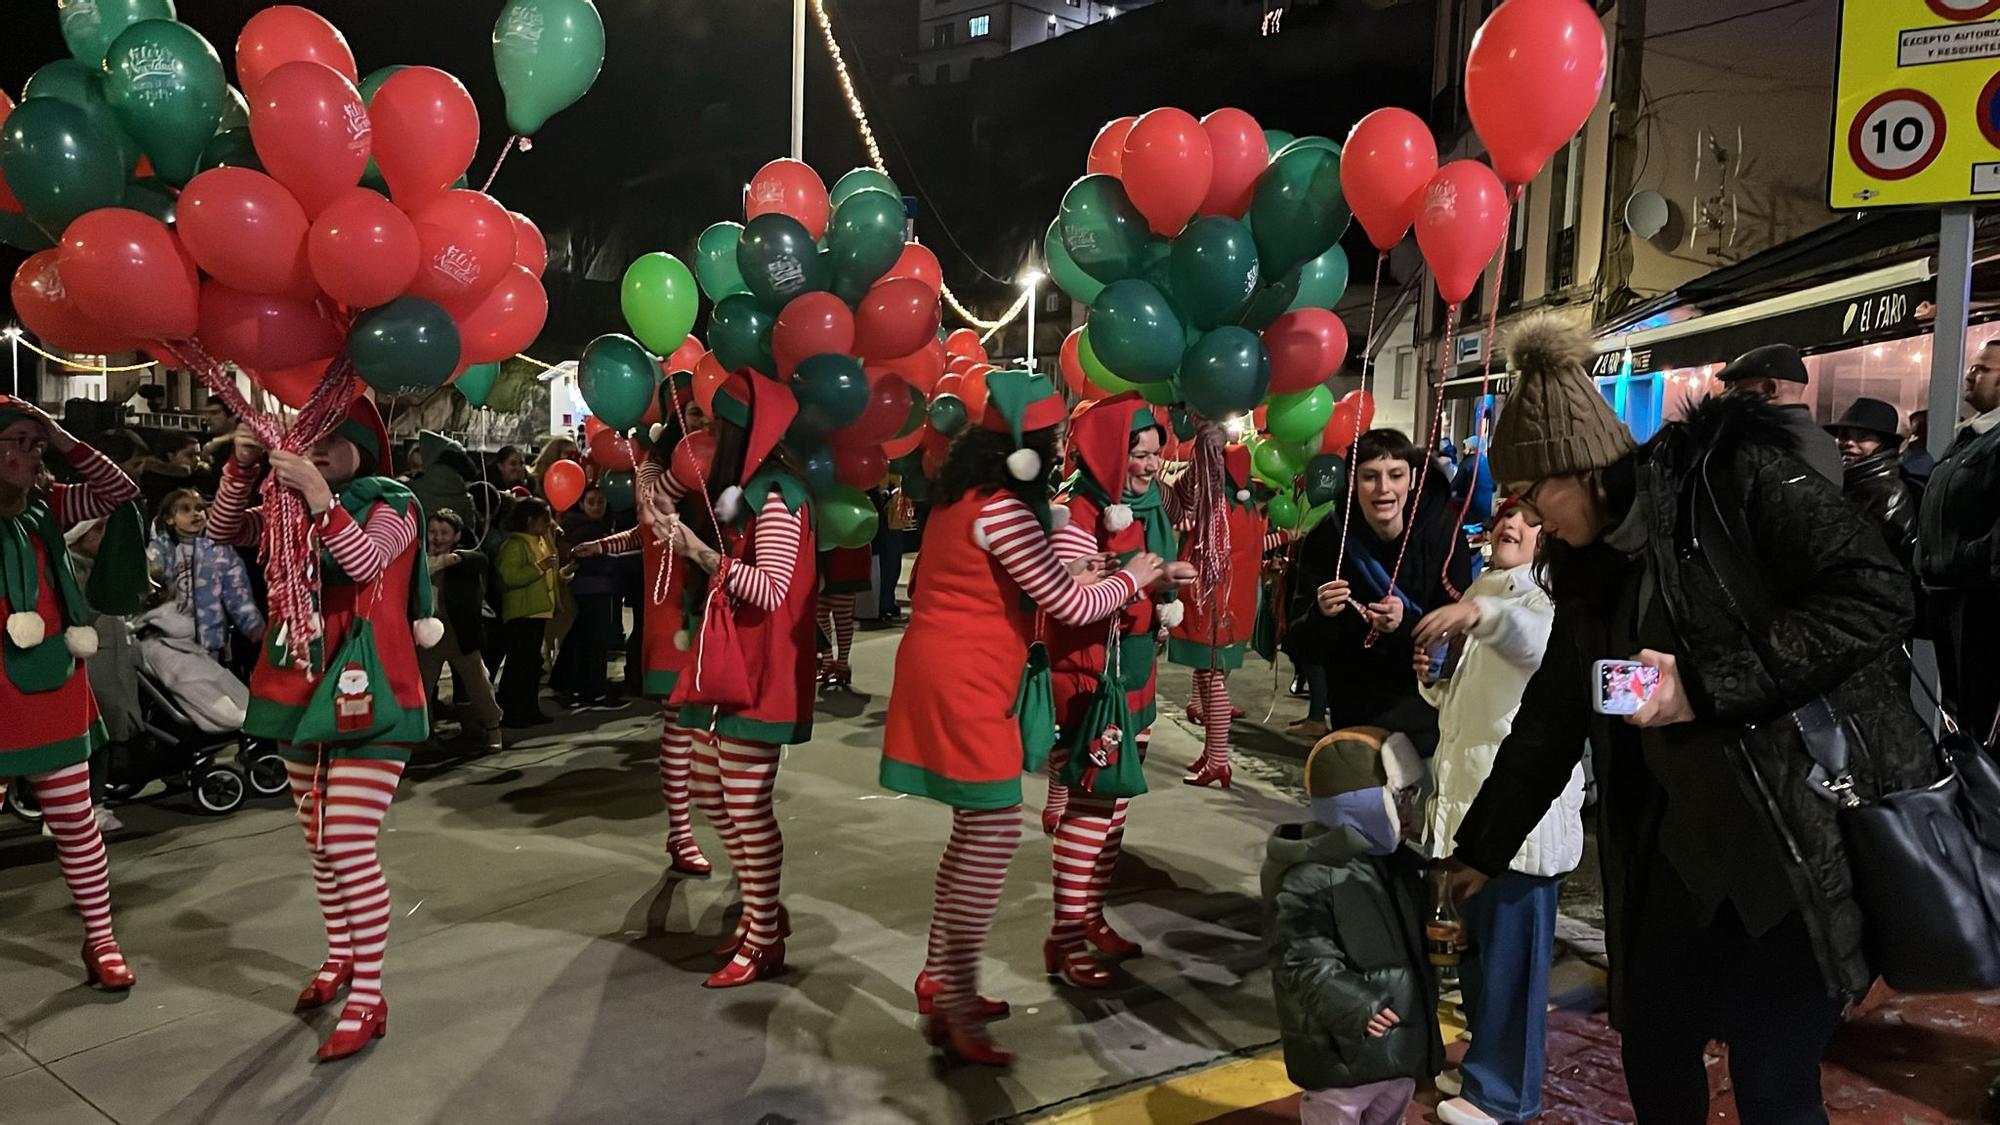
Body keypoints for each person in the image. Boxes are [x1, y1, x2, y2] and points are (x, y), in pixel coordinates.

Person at [1441, 315, 1938, 1125]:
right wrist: (1482, 848)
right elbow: (1554, 715)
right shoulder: (1589, 564)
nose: (1525, 515)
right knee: (1654, 1045)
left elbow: (1878, 595)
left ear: (1581, 467)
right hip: (1679, 851)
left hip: (1798, 837)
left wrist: (1701, 685)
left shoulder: (1730, 480)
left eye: (1532, 494)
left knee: (1772, 1072)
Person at [880, 370, 1187, 1064]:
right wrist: (1135, 575)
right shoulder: (1005, 511)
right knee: (989, 845)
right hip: (966, 685)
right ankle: (957, 1006)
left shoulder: (969, 498)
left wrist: (1100, 569)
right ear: (1022, 451)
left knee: (969, 841)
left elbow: (1040, 582)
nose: (1056, 457)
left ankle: (942, 981)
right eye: (1050, 444)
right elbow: (1073, 606)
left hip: (948, 673)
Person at [208, 395, 442, 1061]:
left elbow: (365, 561)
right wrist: (241, 465)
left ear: (363, 442)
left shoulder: (395, 500)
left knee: (345, 840)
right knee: (319, 842)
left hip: (375, 690)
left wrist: (316, 494)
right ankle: (342, 955)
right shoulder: (286, 508)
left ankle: (369, 995)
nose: (313, 445)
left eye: (331, 436)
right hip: (298, 682)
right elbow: (227, 531)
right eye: (306, 435)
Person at [1409, 501, 1583, 1125]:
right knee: (1479, 959)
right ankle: (1487, 1068)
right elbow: (1472, 706)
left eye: (1531, 520)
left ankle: (1507, 1094)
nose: (1512, 526)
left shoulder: (1548, 599)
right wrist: (1436, 680)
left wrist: (1477, 614)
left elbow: (1532, 639)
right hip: (1474, 816)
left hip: (1521, 820)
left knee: (1513, 966)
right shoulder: (1488, 591)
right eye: (1507, 514)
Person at [668, 372, 818, 989]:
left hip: (760, 672)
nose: (703, 435)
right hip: (731, 666)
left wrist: (701, 554)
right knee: (712, 791)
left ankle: (762, 936)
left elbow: (771, 587)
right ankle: (764, 914)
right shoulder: (747, 490)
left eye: (714, 424)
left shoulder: (776, 493)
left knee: (746, 807)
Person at [1041, 393, 1187, 981]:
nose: (1150, 466)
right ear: (1106, 452)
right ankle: (1066, 938)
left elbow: (1131, 580)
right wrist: (1136, 579)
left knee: (1114, 810)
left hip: (1132, 682)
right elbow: (1072, 606)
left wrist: (1162, 579)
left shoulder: (1133, 508)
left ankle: (1090, 916)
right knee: (1089, 810)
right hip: (1089, 684)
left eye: (1155, 455)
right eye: (1138, 454)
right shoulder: (1074, 514)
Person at [0, 397, 143, 991]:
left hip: (49, 685)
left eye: (35, 446)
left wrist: (57, 435)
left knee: (76, 824)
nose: (30, 454)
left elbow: (118, 488)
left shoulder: (48, 508)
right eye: (16, 441)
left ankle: (102, 941)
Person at [1265, 729, 1443, 1125]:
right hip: (1342, 1052)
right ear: (1363, 806)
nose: (1411, 808)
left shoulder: (1399, 867)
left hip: (1397, 1048)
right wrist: (1357, 1004)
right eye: (1400, 798)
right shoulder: (1308, 877)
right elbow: (1301, 960)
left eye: (1412, 796)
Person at [574, 375, 712, 877]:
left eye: (707, 413)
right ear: (677, 418)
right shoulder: (657, 467)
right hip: (672, 612)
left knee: (721, 732)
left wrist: (608, 545)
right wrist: (695, 457)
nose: (702, 421)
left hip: (716, 607)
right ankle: (681, 833)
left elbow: (645, 531)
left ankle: (730, 826)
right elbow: (656, 520)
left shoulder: (712, 466)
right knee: (679, 731)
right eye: (693, 413)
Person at [1290, 429, 1471, 752]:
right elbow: (1299, 640)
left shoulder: (1444, 534)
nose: (1383, 489)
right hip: (1356, 714)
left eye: (1396, 475)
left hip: (1428, 714)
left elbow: (1461, 630)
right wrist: (1322, 614)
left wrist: (1406, 626)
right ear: (1352, 480)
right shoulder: (1327, 540)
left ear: (1413, 479)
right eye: (1370, 477)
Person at [1167, 438, 1267, 789]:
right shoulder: (1249, 508)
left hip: (1211, 605)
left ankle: (1219, 760)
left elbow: (1184, 520)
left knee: (1211, 681)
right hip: (1234, 608)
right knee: (1211, 678)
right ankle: (1212, 754)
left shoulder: (1216, 510)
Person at [1916, 340, 2000, 748]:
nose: (1971, 374)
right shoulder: (1971, 437)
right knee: (1959, 709)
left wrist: (1959, 561)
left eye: (1983, 369)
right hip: (1952, 594)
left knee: (1977, 713)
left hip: (1978, 601)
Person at [417, 508, 503, 752]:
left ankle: (493, 729)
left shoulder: (464, 559)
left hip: (459, 633)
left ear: (456, 536)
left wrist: (453, 558)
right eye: (433, 531)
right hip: (427, 636)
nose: (437, 537)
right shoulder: (418, 559)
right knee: (422, 688)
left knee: (479, 684)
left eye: (444, 532)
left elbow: (480, 560)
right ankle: (424, 735)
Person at [147, 488, 264, 664]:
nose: (195, 513)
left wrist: (253, 625)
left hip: (210, 639)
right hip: (171, 639)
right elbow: (148, 581)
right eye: (185, 509)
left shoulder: (220, 551)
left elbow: (237, 591)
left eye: (200, 508)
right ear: (169, 519)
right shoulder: (161, 550)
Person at [1714, 343, 1842, 484]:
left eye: (1738, 389)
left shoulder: (1758, 441)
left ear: (1771, 388)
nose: (1728, 395)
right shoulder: (1827, 443)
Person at [1825, 397, 1918, 568]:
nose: (1849, 443)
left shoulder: (1888, 492)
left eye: (1863, 436)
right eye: (1844, 435)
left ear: (1884, 444)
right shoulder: (1856, 482)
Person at [551, 485, 621, 710]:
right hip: (592, 588)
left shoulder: (578, 525)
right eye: (591, 502)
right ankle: (593, 690)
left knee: (580, 638)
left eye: (600, 502)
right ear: (581, 504)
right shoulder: (586, 529)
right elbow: (598, 561)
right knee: (595, 640)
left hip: (588, 588)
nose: (597, 506)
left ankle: (569, 683)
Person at [491, 497, 559, 728]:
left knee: (531, 666)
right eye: (544, 519)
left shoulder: (541, 541)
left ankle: (530, 709)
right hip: (522, 613)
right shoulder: (514, 545)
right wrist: (539, 568)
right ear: (531, 521)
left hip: (539, 611)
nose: (549, 523)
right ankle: (512, 711)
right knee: (519, 664)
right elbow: (509, 577)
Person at [816, 544, 869, 688]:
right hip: (823, 555)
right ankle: (828, 663)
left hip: (844, 555)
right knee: (821, 612)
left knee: (841, 615)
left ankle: (842, 666)